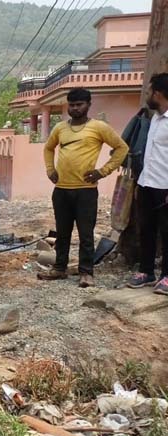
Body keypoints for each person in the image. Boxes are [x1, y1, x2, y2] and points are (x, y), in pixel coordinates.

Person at [39, 88, 129, 287]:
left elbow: (122, 148)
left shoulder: (99, 127)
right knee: (62, 232)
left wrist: (103, 171)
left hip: (86, 190)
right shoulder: (60, 128)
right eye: (71, 105)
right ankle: (60, 268)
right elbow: (48, 148)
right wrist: (50, 169)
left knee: (86, 233)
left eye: (79, 104)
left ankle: (86, 273)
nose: (75, 108)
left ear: (88, 105)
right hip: (61, 189)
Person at [127, 73, 168, 295]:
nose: (148, 95)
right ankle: (146, 271)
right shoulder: (154, 118)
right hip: (146, 183)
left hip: (165, 186)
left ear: (158, 94)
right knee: (146, 230)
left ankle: (167, 276)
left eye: (150, 91)